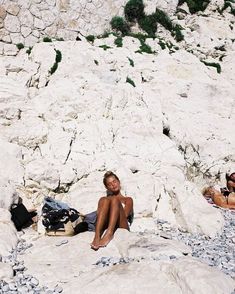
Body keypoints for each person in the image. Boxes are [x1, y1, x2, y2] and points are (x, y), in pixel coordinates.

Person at [90, 171, 134, 250]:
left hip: (122, 224)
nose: (113, 185)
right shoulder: (106, 200)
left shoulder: (128, 200)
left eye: (114, 182)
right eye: (109, 184)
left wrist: (115, 204)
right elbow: (100, 214)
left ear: (119, 182)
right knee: (103, 199)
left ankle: (109, 233)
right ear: (107, 188)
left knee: (114, 200)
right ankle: (97, 236)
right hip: (107, 223)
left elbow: (125, 215)